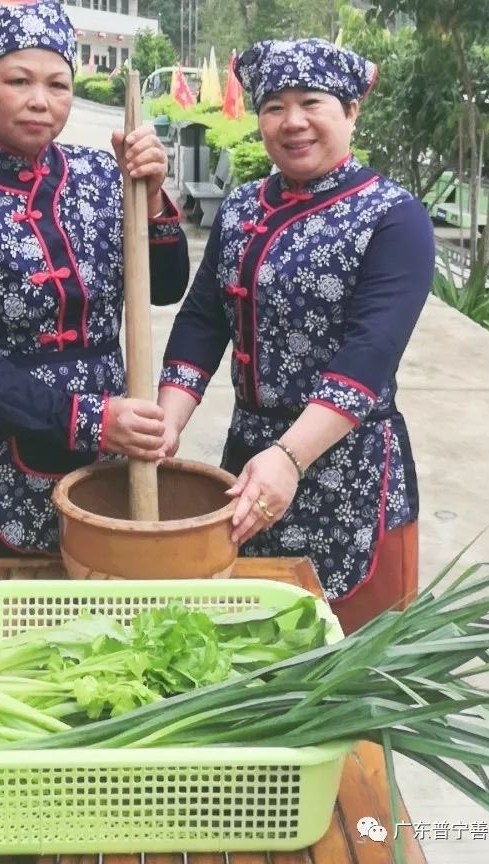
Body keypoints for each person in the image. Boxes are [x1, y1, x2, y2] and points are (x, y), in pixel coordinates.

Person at [157, 38, 435, 634]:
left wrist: (290, 457)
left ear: (351, 111)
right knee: (253, 644)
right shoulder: (239, 208)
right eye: (274, 107)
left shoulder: (392, 216)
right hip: (249, 460)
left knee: (347, 660)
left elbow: (370, 354)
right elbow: (203, 319)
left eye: (312, 101)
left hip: (346, 466)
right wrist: (167, 422)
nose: (293, 122)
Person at [0, 1, 188, 558]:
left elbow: (166, 287)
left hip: (112, 462)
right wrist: (88, 418)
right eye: (18, 80)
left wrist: (151, 200)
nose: (40, 100)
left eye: (58, 83)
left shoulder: (105, 173)